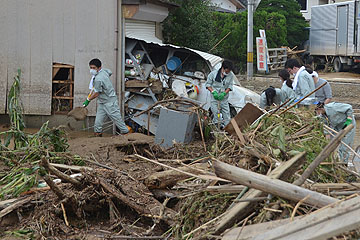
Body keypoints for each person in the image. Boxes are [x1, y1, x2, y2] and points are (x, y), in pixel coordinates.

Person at [83, 58, 129, 137]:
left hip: (110, 102)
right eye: (91, 68)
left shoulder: (98, 79)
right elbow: (110, 72)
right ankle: (98, 134)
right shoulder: (104, 71)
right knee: (98, 121)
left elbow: (97, 93)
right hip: (102, 102)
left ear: (99, 68)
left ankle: (126, 133)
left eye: (94, 68)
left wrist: (88, 100)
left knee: (117, 119)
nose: (92, 70)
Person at [205, 60, 234, 128]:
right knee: (216, 114)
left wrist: (224, 93)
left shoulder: (231, 75)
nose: (228, 72)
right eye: (227, 70)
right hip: (215, 99)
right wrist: (213, 92)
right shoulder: (213, 74)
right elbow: (208, 85)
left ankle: (227, 128)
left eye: (229, 71)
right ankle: (217, 127)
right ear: (223, 68)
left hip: (224, 99)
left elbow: (230, 86)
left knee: (226, 115)